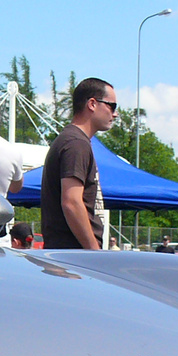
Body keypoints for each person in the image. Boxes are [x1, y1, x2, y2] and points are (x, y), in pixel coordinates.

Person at [39, 78, 116, 250]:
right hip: (72, 256)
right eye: (112, 106)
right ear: (92, 104)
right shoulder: (76, 144)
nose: (115, 114)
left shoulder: (74, 141)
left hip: (69, 254)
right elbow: (71, 202)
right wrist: (94, 251)